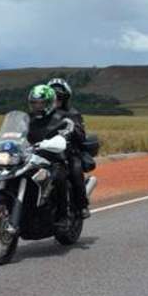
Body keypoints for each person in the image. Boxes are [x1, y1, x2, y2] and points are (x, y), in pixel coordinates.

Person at [26, 84, 83, 230]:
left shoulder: (64, 116)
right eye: (35, 103)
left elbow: (76, 131)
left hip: (57, 155)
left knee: (60, 176)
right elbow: (19, 132)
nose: (38, 106)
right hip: (33, 156)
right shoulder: (29, 118)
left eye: (41, 103)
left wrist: (69, 132)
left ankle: (64, 215)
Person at [47, 77, 90, 220]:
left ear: (65, 98)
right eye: (53, 97)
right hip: (44, 152)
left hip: (67, 153)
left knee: (76, 170)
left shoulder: (73, 113)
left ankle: (82, 205)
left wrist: (72, 130)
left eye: (60, 97)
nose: (56, 100)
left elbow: (81, 135)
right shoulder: (42, 114)